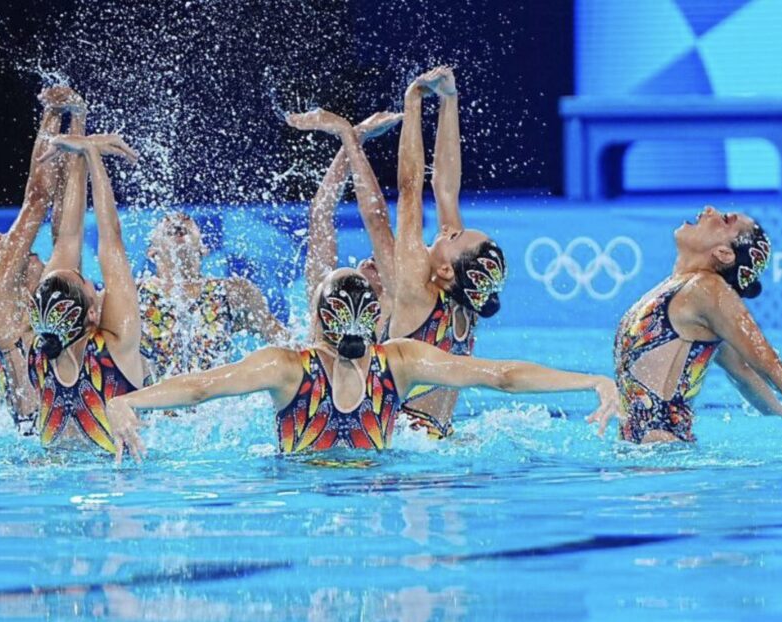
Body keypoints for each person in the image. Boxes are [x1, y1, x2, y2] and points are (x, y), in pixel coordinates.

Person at [104, 269, 617, 463]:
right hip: (386, 488)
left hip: (299, 498)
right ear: (375, 318)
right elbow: (500, 375)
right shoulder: (399, 360)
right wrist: (591, 380)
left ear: (318, 320)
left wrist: (128, 398)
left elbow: (200, 389)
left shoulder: (287, 367)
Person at [296, 68, 506, 441]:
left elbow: (406, 195)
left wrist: (411, 102)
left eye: (455, 236)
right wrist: (449, 99)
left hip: (401, 444)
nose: (449, 229)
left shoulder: (413, 292)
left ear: (445, 269)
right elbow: (446, 190)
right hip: (439, 439)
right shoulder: (464, 301)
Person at [589, 206, 782, 444]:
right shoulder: (681, 289)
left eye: (726, 220)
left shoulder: (707, 289)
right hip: (650, 458)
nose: (709, 210)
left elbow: (775, 371)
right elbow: (742, 372)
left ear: (724, 253)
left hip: (663, 462)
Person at [0, 86, 86, 434]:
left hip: (80, 428)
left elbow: (67, 222)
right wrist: (53, 111)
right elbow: (37, 198)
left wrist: (79, 127)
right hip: (38, 439)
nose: (3, 240)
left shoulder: (42, 297)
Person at [27, 132, 146, 454]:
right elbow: (111, 241)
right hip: (119, 485)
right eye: (87, 281)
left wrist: (76, 153)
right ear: (93, 313)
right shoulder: (115, 347)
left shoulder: (40, 351)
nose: (92, 278)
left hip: (51, 477)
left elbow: (67, 239)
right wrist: (93, 155)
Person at [288, 108, 403, 338]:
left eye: (385, 259)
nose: (374, 258)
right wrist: (356, 134)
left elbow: (376, 218)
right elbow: (320, 214)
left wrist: (347, 133)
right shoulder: (326, 300)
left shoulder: (395, 313)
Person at [138, 212, 287, 380]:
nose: (177, 219)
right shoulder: (134, 296)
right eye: (165, 220)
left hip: (213, 402)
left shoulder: (235, 292)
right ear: (151, 251)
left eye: (187, 219)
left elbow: (284, 342)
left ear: (203, 249)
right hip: (155, 401)